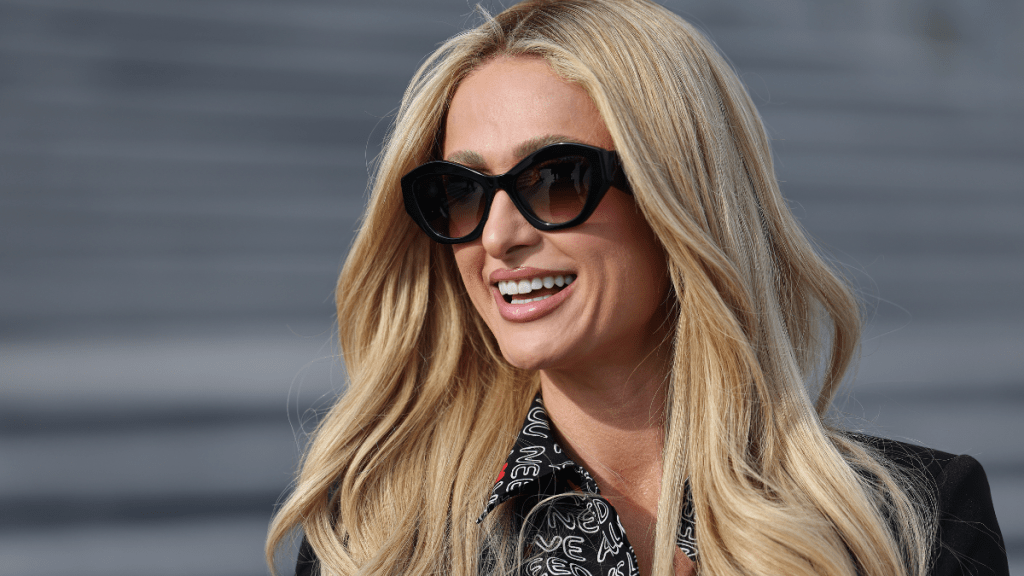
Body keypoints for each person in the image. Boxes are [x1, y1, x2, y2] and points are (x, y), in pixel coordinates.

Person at [266, 1, 1008, 575]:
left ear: (677, 200)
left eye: (553, 180)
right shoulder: (377, 543)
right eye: (460, 192)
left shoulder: (911, 523)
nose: (497, 237)